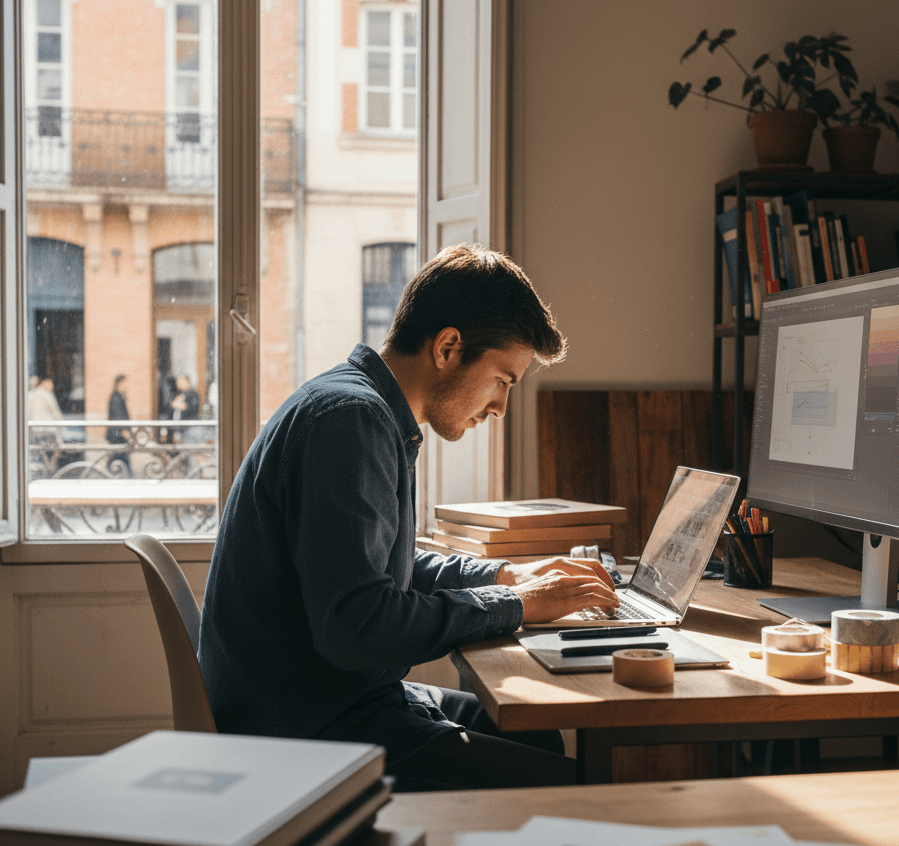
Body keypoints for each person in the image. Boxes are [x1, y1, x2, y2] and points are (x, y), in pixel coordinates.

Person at [200, 245, 619, 791]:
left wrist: (505, 576)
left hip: (330, 702)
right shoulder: (352, 420)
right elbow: (358, 627)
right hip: (305, 728)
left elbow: (383, 565)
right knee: (562, 784)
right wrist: (515, 605)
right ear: (447, 347)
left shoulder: (364, 409)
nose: (500, 407)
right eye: (502, 380)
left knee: (535, 735)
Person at [106, 374, 133, 477]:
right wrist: (126, 434)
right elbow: (119, 416)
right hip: (118, 436)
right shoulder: (116, 398)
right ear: (120, 384)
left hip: (118, 436)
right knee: (119, 461)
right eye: (125, 383)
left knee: (117, 461)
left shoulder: (118, 396)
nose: (127, 386)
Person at [171, 374, 203, 444]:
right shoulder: (177, 394)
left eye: (181, 383)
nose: (179, 385)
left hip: (190, 428)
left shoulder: (193, 394)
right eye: (178, 383)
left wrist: (179, 405)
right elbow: (171, 405)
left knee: (189, 446)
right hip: (179, 428)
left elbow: (191, 408)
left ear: (187, 382)